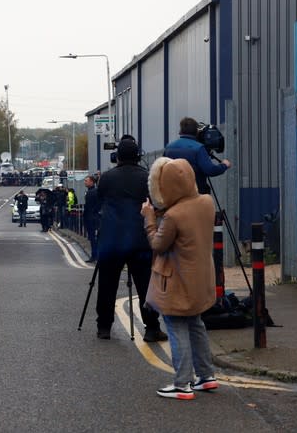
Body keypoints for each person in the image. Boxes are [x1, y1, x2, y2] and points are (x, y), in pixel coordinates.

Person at [141, 157, 218, 400]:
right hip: (201, 278)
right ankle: (206, 377)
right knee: (196, 325)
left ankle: (182, 383)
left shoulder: (173, 216)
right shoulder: (207, 202)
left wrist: (149, 218)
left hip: (176, 281)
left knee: (175, 327)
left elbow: (158, 244)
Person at [94, 136, 167, 342]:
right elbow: (156, 203)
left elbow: (100, 199)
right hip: (139, 239)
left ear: (117, 156)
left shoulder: (106, 178)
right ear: (138, 156)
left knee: (107, 285)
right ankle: (152, 328)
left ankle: (104, 327)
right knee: (145, 286)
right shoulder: (146, 177)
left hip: (111, 239)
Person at [164, 116, 231, 195]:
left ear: (180, 132)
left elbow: (162, 170)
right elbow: (210, 170)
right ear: (196, 132)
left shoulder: (168, 148)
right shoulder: (198, 148)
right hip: (195, 195)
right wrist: (224, 165)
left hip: (173, 195)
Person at [82, 175, 100, 263]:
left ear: (92, 182)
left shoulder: (92, 192)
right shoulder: (91, 191)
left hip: (92, 218)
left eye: (86, 181)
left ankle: (95, 256)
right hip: (92, 217)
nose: (85, 182)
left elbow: (89, 207)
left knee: (93, 238)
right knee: (93, 238)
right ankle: (94, 256)